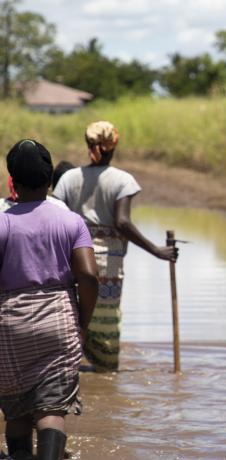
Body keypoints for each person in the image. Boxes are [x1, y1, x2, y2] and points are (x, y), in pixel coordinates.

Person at [0, 139, 98, 459]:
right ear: (49, 181)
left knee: (15, 409)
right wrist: (82, 321)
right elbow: (88, 275)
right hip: (59, 317)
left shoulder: (2, 223)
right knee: (51, 409)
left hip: (9, 321)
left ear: (12, 180)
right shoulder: (70, 221)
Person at [53, 121, 178, 372]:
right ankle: (105, 372)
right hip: (107, 265)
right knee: (106, 324)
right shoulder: (123, 180)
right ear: (113, 147)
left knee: (73, 318)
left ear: (88, 145)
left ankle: (70, 369)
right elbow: (122, 222)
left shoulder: (68, 178)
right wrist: (157, 251)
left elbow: (55, 215)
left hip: (73, 259)